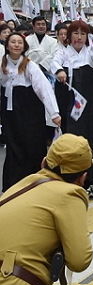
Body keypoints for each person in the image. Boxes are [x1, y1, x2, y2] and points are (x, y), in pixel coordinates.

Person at [0, 133, 93, 285]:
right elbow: (80, 260)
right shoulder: (70, 193)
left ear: (44, 163)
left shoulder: (23, 184)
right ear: (82, 178)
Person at [52, 20, 93, 199]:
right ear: (68, 36)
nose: (78, 37)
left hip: (88, 103)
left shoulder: (91, 52)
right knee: (70, 139)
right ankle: (69, 180)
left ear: (87, 37)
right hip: (70, 102)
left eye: (82, 34)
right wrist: (60, 71)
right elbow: (54, 63)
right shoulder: (62, 52)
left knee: (90, 141)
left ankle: (88, 182)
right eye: (75, 33)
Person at [0, 33, 61, 190]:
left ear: (24, 46)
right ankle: (12, 185)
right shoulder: (2, 65)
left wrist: (54, 113)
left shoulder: (29, 65)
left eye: (20, 42)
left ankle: (36, 183)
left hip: (30, 112)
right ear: (7, 45)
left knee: (32, 145)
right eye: (13, 42)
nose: (16, 45)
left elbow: (44, 89)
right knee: (13, 147)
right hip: (10, 113)